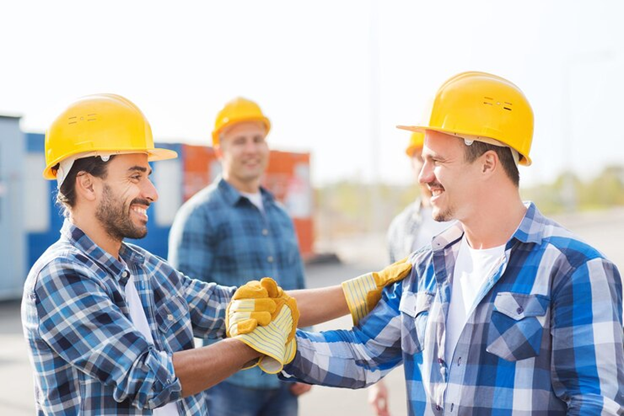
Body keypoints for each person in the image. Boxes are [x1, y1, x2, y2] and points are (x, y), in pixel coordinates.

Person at [231, 71, 624, 414]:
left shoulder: (574, 270)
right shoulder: (428, 266)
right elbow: (363, 351)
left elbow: (596, 404)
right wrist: (284, 345)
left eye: (436, 160)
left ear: (488, 163)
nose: (423, 176)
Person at [21, 93, 411, 415]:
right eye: (136, 175)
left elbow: (235, 305)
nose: (152, 192)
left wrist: (362, 289)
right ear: (88, 185)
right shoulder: (60, 276)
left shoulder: (143, 270)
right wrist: (258, 343)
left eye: (148, 176)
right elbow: (147, 377)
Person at [167, 96, 312, 415]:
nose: (251, 149)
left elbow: (297, 292)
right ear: (220, 150)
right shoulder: (199, 215)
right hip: (227, 384)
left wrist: (307, 356)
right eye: (240, 141)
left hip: (284, 377)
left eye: (258, 140)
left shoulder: (279, 214)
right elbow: (179, 310)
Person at [368, 131, 453, 416]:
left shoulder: (465, 214)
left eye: (433, 157)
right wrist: (375, 380)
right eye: (419, 158)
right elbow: (386, 301)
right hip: (421, 354)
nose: (424, 166)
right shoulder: (401, 227)